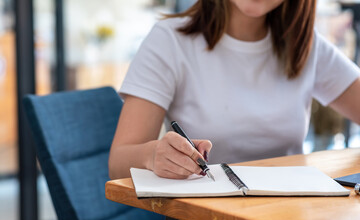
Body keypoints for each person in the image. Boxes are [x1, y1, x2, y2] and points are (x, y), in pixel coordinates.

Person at [109, 0, 360, 180]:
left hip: (290, 214)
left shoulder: (305, 44)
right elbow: (118, 164)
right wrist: (152, 155)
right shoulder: (169, 40)